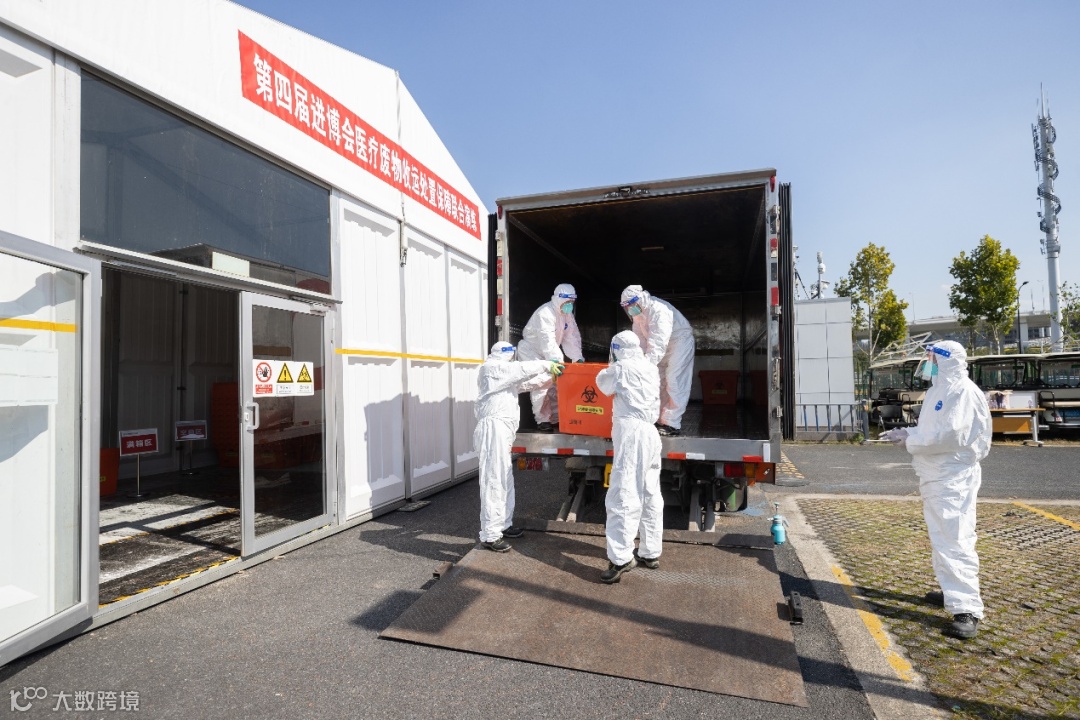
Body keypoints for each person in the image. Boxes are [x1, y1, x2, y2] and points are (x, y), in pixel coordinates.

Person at [881, 340, 992, 639]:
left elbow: (952, 436)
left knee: (955, 537)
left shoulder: (962, 391)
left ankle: (966, 608)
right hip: (936, 474)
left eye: (931, 358)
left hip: (953, 477)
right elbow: (933, 430)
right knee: (941, 536)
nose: (927, 364)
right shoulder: (937, 391)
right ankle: (951, 591)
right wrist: (907, 432)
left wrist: (911, 441)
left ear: (946, 360)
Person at [474, 341, 565, 552]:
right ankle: (490, 535)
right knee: (493, 480)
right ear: (508, 354)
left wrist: (551, 378)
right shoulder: (492, 369)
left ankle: (504, 525)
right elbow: (521, 370)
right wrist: (546, 364)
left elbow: (527, 383)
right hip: (493, 430)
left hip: (502, 432)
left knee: (504, 478)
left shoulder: (504, 378)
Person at [595, 330, 664, 583]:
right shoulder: (650, 367)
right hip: (651, 433)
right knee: (650, 492)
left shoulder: (620, 368)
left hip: (632, 435)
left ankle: (621, 558)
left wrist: (612, 363)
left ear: (617, 349)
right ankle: (650, 551)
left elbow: (602, 384)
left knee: (623, 494)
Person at [619, 285, 695, 436]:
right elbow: (640, 343)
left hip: (679, 342)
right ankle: (658, 419)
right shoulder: (638, 316)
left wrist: (646, 367)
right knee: (657, 382)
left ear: (640, 300)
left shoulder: (659, 310)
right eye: (626, 306)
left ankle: (672, 423)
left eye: (631, 304)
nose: (629, 309)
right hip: (660, 347)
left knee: (674, 380)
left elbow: (658, 342)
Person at [517, 283, 585, 431]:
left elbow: (571, 336)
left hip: (547, 354)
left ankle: (555, 419)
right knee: (542, 383)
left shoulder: (566, 315)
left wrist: (577, 357)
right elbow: (547, 340)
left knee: (555, 385)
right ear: (559, 299)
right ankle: (542, 420)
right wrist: (557, 360)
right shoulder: (545, 313)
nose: (569, 305)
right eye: (567, 302)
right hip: (533, 352)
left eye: (571, 302)